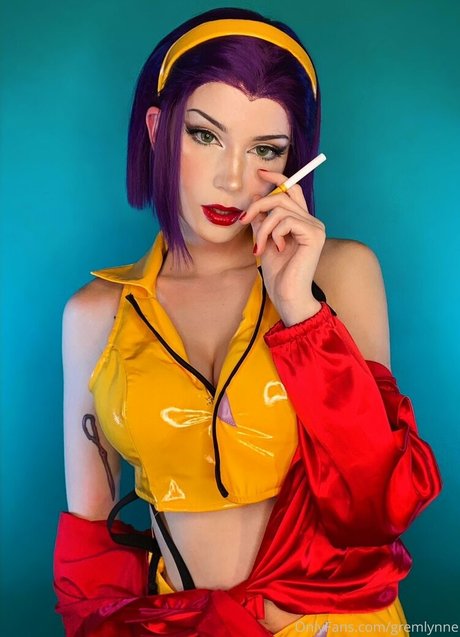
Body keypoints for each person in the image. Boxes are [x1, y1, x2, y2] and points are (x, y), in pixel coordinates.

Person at [53, 7, 442, 636]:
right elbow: (90, 550)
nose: (233, 177)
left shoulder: (339, 275)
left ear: (293, 160)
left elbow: (380, 505)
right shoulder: (95, 314)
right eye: (205, 135)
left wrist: (301, 314)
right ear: (158, 128)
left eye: (265, 149)